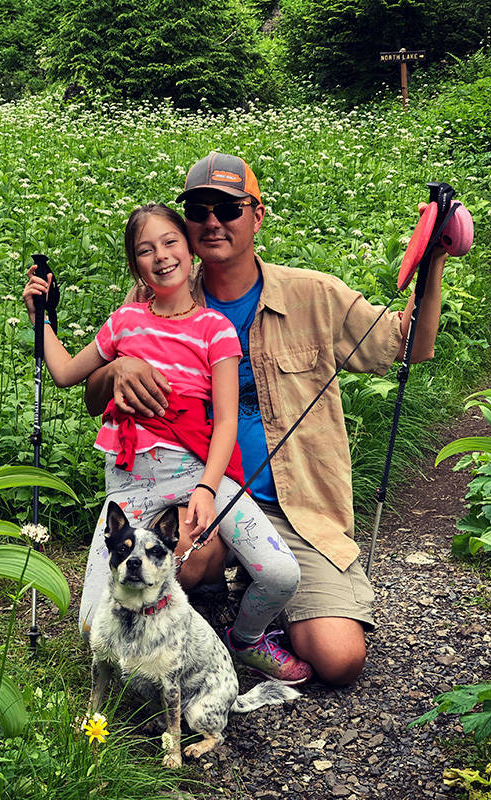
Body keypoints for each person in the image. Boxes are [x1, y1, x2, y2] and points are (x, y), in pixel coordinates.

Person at [84, 153, 448, 686]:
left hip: (299, 510)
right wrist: (118, 368)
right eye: (199, 209)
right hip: (204, 497)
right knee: (182, 549)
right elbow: (93, 395)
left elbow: (410, 344)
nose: (213, 220)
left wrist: (432, 259)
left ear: (256, 216)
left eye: (229, 208)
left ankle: (258, 622)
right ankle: (210, 595)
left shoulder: (313, 294)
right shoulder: (157, 296)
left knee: (340, 660)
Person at [23, 203, 313, 685]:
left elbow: (223, 424)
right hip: (132, 483)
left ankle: (244, 639)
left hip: (195, 472)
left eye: (170, 242)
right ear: (135, 265)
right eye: (145, 250)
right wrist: (43, 319)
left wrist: (205, 488)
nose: (161, 256)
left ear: (190, 248)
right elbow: (64, 374)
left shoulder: (215, 330)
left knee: (281, 574)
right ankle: (152, 652)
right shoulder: (124, 322)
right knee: (92, 626)